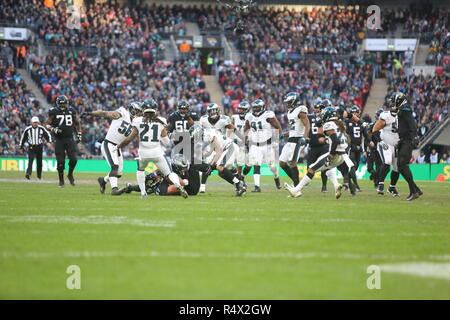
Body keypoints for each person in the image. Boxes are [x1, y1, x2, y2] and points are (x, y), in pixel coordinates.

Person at [113, 100, 188, 199]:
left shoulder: (138, 121)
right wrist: (162, 136)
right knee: (169, 173)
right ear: (155, 109)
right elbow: (166, 143)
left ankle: (143, 193)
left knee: (140, 171)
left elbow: (130, 138)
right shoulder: (161, 121)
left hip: (143, 153)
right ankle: (177, 185)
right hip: (157, 152)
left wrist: (118, 146)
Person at [285, 107, 352, 199]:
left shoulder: (329, 124)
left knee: (311, 169)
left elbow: (335, 140)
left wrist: (331, 153)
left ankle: (295, 190)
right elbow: (347, 139)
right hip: (343, 155)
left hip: (335, 154)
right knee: (328, 170)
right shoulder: (340, 124)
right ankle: (336, 185)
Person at [81, 101, 143, 195]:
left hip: (117, 147)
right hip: (109, 144)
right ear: (132, 110)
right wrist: (90, 113)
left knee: (118, 173)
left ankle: (103, 180)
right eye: (138, 111)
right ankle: (114, 189)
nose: (139, 114)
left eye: (140, 112)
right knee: (114, 166)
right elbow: (105, 113)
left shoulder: (136, 122)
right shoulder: (123, 113)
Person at [191, 125, 246, 196]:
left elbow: (218, 151)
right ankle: (239, 185)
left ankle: (239, 184)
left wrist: (211, 165)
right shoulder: (206, 135)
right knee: (221, 173)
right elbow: (211, 151)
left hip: (230, 147)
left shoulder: (208, 135)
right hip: (226, 149)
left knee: (220, 167)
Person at [244, 99, 282, 192]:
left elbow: (278, 127)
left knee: (272, 166)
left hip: (267, 144)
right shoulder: (249, 116)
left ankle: (276, 177)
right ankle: (257, 186)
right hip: (255, 145)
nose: (256, 109)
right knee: (256, 164)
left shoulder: (268, 115)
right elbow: (246, 128)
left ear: (262, 107)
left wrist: (277, 140)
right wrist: (245, 139)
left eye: (258, 108)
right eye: (254, 108)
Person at [391, 92, 422, 200]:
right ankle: (416, 189)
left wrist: (415, 136)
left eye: (394, 100)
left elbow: (411, 123)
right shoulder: (402, 110)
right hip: (403, 141)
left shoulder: (405, 109)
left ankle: (414, 191)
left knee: (403, 165)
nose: (393, 102)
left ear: (399, 100)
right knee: (400, 166)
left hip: (407, 141)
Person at [45, 95, 81, 187]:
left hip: (69, 138)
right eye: (61, 104)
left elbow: (77, 123)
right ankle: (61, 180)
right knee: (60, 162)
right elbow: (47, 124)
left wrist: (79, 134)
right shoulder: (53, 111)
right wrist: (53, 129)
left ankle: (70, 174)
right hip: (59, 140)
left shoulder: (71, 111)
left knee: (74, 159)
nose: (62, 106)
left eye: (64, 104)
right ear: (57, 104)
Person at [198, 103, 235, 193]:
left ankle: (238, 180)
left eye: (214, 110)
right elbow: (199, 131)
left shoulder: (224, 119)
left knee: (224, 167)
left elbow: (232, 128)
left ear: (218, 110)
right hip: (210, 146)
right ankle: (202, 186)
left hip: (221, 146)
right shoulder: (203, 119)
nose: (213, 113)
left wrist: (230, 137)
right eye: (210, 111)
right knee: (207, 163)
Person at [279, 92, 310, 187]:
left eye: (289, 102)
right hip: (291, 139)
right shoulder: (289, 113)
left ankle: (297, 187)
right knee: (282, 163)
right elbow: (294, 129)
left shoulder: (300, 110)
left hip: (298, 139)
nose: (287, 104)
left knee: (292, 162)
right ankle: (297, 183)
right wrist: (284, 135)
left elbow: (307, 125)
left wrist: (305, 137)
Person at [372, 106, 400, 197]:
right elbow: (375, 129)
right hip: (386, 143)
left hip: (396, 144)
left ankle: (392, 187)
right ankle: (380, 185)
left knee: (397, 168)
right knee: (387, 162)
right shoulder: (385, 116)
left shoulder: (402, 117)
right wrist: (380, 141)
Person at [307, 100, 332, 193]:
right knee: (309, 167)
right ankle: (306, 181)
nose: (317, 110)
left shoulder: (325, 117)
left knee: (324, 168)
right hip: (312, 145)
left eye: (318, 108)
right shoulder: (309, 117)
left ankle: (324, 186)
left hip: (323, 146)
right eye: (315, 108)